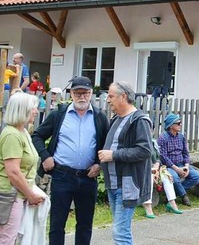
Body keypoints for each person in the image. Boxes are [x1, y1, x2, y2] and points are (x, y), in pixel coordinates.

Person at [31, 75, 109, 245]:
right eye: (78, 93)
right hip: (62, 176)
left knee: (85, 224)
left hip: (88, 177)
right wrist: (45, 157)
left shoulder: (100, 117)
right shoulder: (59, 114)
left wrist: (99, 164)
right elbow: (37, 135)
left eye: (85, 93)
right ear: (71, 94)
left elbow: (107, 146)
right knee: (57, 224)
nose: (82, 97)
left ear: (91, 94)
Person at [98, 81, 153, 245]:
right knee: (119, 229)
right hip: (113, 184)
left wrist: (113, 155)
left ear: (124, 97)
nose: (107, 100)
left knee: (120, 232)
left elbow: (145, 151)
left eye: (111, 96)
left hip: (127, 184)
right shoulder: (116, 119)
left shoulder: (139, 120)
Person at [0, 93, 47, 243]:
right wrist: (30, 195)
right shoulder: (12, 135)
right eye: (33, 108)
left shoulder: (23, 132)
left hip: (18, 195)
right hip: (9, 196)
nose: (36, 111)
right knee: (7, 238)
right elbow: (13, 172)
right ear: (22, 110)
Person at [157, 113, 199, 206]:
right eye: (178, 123)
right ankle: (184, 196)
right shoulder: (163, 138)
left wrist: (187, 166)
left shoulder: (181, 137)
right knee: (174, 178)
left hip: (181, 164)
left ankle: (174, 194)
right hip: (169, 166)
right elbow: (163, 157)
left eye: (180, 122)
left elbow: (185, 153)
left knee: (197, 176)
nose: (180, 124)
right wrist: (176, 169)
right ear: (171, 125)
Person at [142, 124, 182, 218]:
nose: (149, 132)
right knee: (150, 177)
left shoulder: (153, 143)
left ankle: (172, 203)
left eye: (151, 130)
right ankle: (147, 206)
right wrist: (152, 170)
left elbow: (157, 159)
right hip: (142, 169)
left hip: (153, 168)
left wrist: (156, 167)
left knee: (166, 175)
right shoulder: (138, 144)